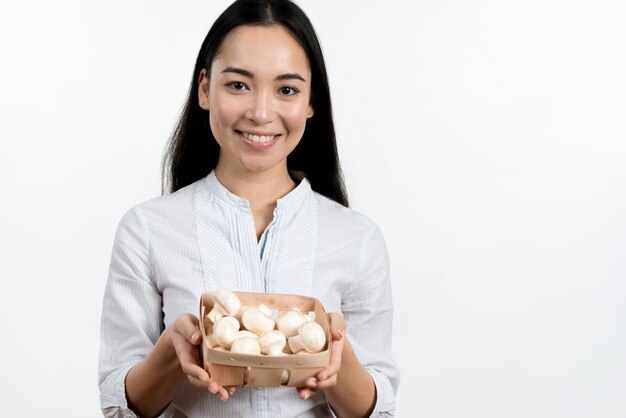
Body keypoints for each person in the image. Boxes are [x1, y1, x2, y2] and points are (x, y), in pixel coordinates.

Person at [98, 0, 400, 416]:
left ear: (311, 101)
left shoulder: (358, 239)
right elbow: (117, 408)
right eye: (238, 85)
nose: (260, 113)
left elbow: (378, 410)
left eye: (287, 90)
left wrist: (336, 358)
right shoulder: (147, 230)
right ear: (205, 89)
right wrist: (172, 352)